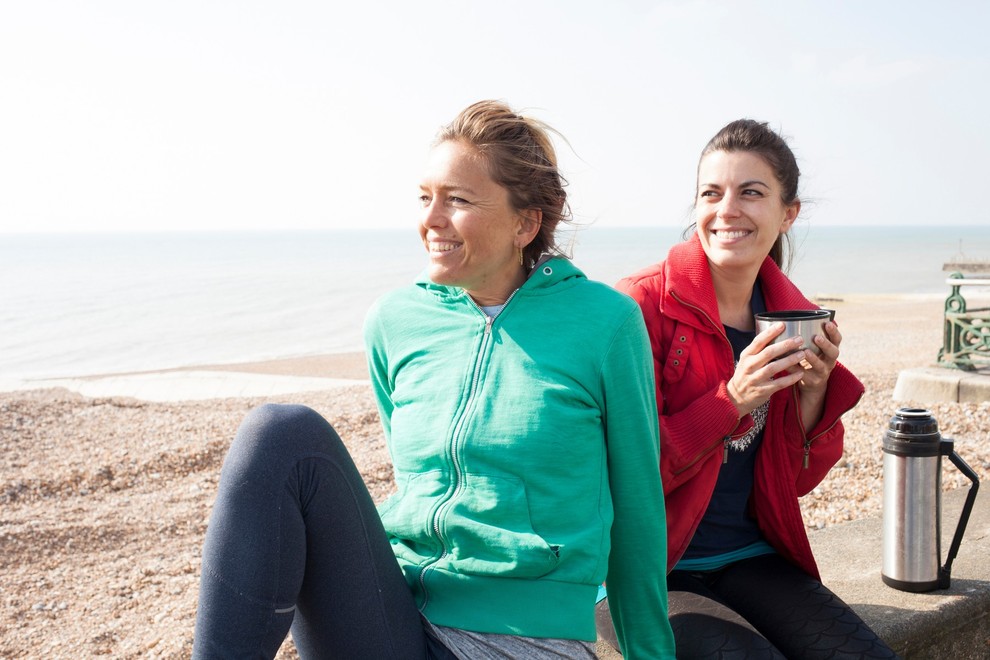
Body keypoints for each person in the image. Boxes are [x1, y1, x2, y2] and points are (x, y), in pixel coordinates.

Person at [193, 100, 676, 659]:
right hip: (393, 618)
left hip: (522, 640)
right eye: (426, 198)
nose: (431, 220)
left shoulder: (604, 324)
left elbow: (638, 513)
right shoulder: (395, 321)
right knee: (281, 434)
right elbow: (417, 481)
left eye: (459, 200)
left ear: (526, 223)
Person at [600, 119, 898, 658]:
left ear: (788, 214)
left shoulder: (793, 317)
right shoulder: (638, 307)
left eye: (751, 193)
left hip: (750, 557)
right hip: (642, 564)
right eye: (711, 193)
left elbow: (798, 482)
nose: (727, 209)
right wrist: (731, 401)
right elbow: (616, 470)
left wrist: (813, 396)